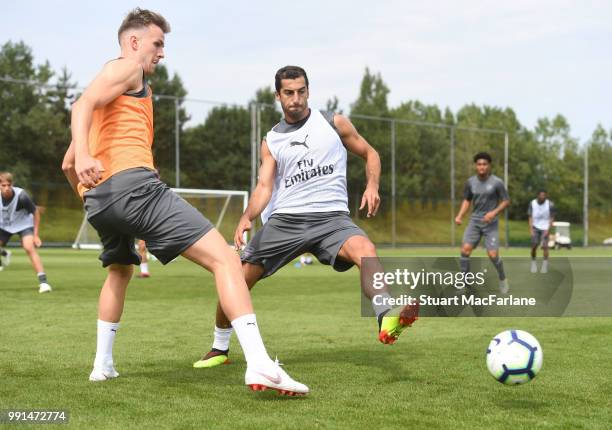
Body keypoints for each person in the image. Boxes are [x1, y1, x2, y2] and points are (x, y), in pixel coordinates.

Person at [61, 8, 307, 395]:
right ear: (134, 41)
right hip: (131, 188)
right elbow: (80, 104)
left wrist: (89, 186)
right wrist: (113, 172)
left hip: (100, 201)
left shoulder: (110, 106)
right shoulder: (128, 67)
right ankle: (260, 364)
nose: (161, 53)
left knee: (120, 270)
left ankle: (102, 366)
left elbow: (67, 163)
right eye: (158, 43)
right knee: (226, 259)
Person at [194, 66, 417, 369]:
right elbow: (264, 186)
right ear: (278, 96)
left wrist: (372, 185)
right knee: (237, 277)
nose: (295, 99)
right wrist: (248, 215)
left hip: (332, 219)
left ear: (308, 91)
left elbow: (371, 154)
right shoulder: (272, 140)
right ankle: (219, 348)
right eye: (289, 93)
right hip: (286, 220)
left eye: (301, 91)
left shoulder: (333, 123)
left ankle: (386, 316)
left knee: (365, 250)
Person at [454, 152, 510, 293]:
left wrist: (493, 212)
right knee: (465, 250)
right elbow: (467, 200)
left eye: (484, 164)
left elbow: (506, 201)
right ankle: (463, 282)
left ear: (489, 166)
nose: (482, 167)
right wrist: (460, 215)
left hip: (491, 224)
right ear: (475, 166)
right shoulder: (470, 182)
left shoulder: (497, 182)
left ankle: (503, 278)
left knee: (492, 255)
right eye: (479, 164)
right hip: (474, 222)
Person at [0, 172, 52, 293]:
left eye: (9, 185)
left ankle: (44, 283)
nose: (6, 188)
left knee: (29, 247)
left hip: (23, 224)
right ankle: (5, 254)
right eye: (3, 185)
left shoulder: (22, 196)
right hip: (5, 225)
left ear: (12, 184)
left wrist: (36, 235)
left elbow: (36, 212)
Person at [528, 190, 555, 273]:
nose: (543, 197)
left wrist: (548, 229)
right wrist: (531, 229)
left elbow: (552, 217)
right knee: (534, 246)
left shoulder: (550, 204)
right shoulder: (532, 203)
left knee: (545, 246)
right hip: (535, 227)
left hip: (545, 227)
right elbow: (530, 217)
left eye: (544, 195)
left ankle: (544, 265)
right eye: (541, 195)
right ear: (538, 196)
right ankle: (533, 263)